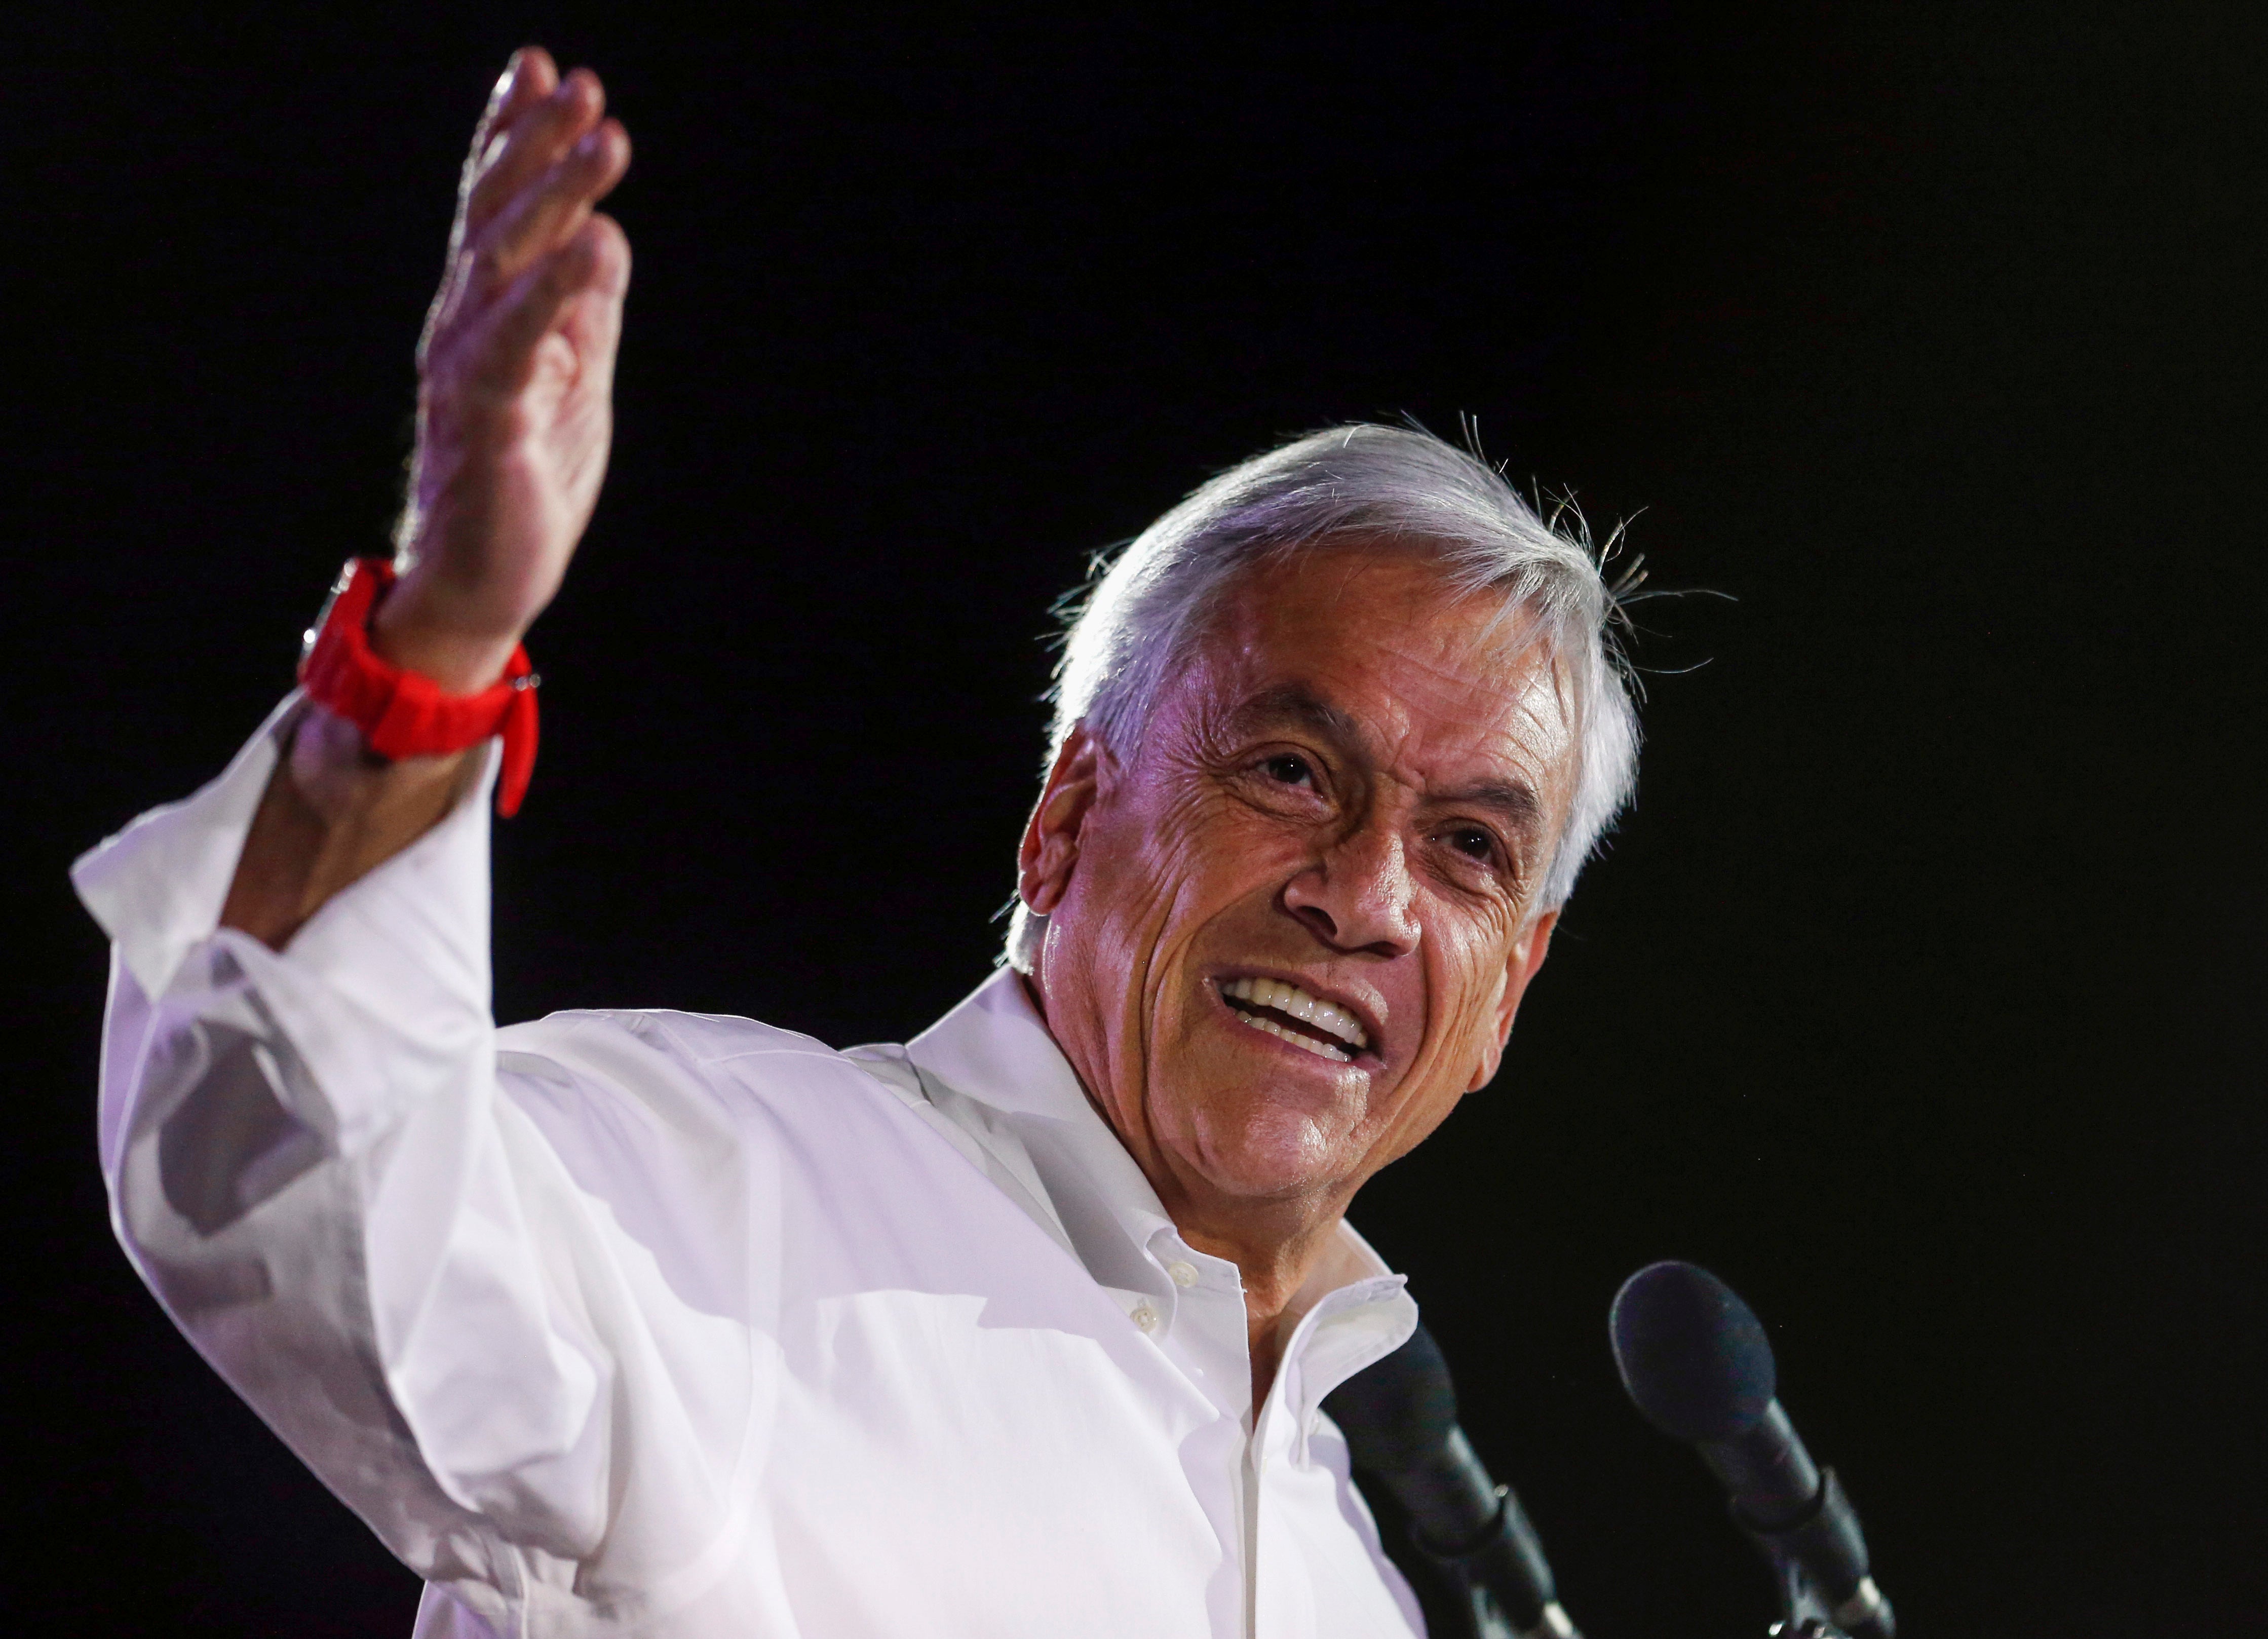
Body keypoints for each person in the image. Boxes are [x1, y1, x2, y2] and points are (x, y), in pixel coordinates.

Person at [74, 46, 1640, 1639]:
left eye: (1464, 847)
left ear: (1506, 990)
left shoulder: (1349, 1582)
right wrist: (435, 646)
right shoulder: (719, 1195)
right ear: (1066, 818)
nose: (1363, 894)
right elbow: (287, 1188)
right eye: (1294, 770)